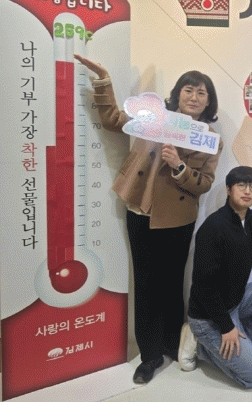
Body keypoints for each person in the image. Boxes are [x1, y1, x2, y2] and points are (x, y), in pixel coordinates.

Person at [74, 55, 222, 384]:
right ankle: (150, 355)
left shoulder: (208, 137)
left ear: (208, 103)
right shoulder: (153, 117)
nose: (194, 97)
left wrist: (179, 166)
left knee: (172, 283)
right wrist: (104, 81)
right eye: (189, 90)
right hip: (140, 211)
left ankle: (171, 342)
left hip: (178, 219)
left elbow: (204, 184)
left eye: (202, 93)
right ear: (177, 94)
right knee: (145, 285)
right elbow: (113, 119)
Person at [180, 165, 252, 389]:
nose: (247, 191)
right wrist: (226, 327)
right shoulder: (213, 227)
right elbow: (204, 288)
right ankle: (200, 346)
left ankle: (246, 348)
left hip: (235, 303)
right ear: (228, 189)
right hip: (208, 317)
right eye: (241, 185)